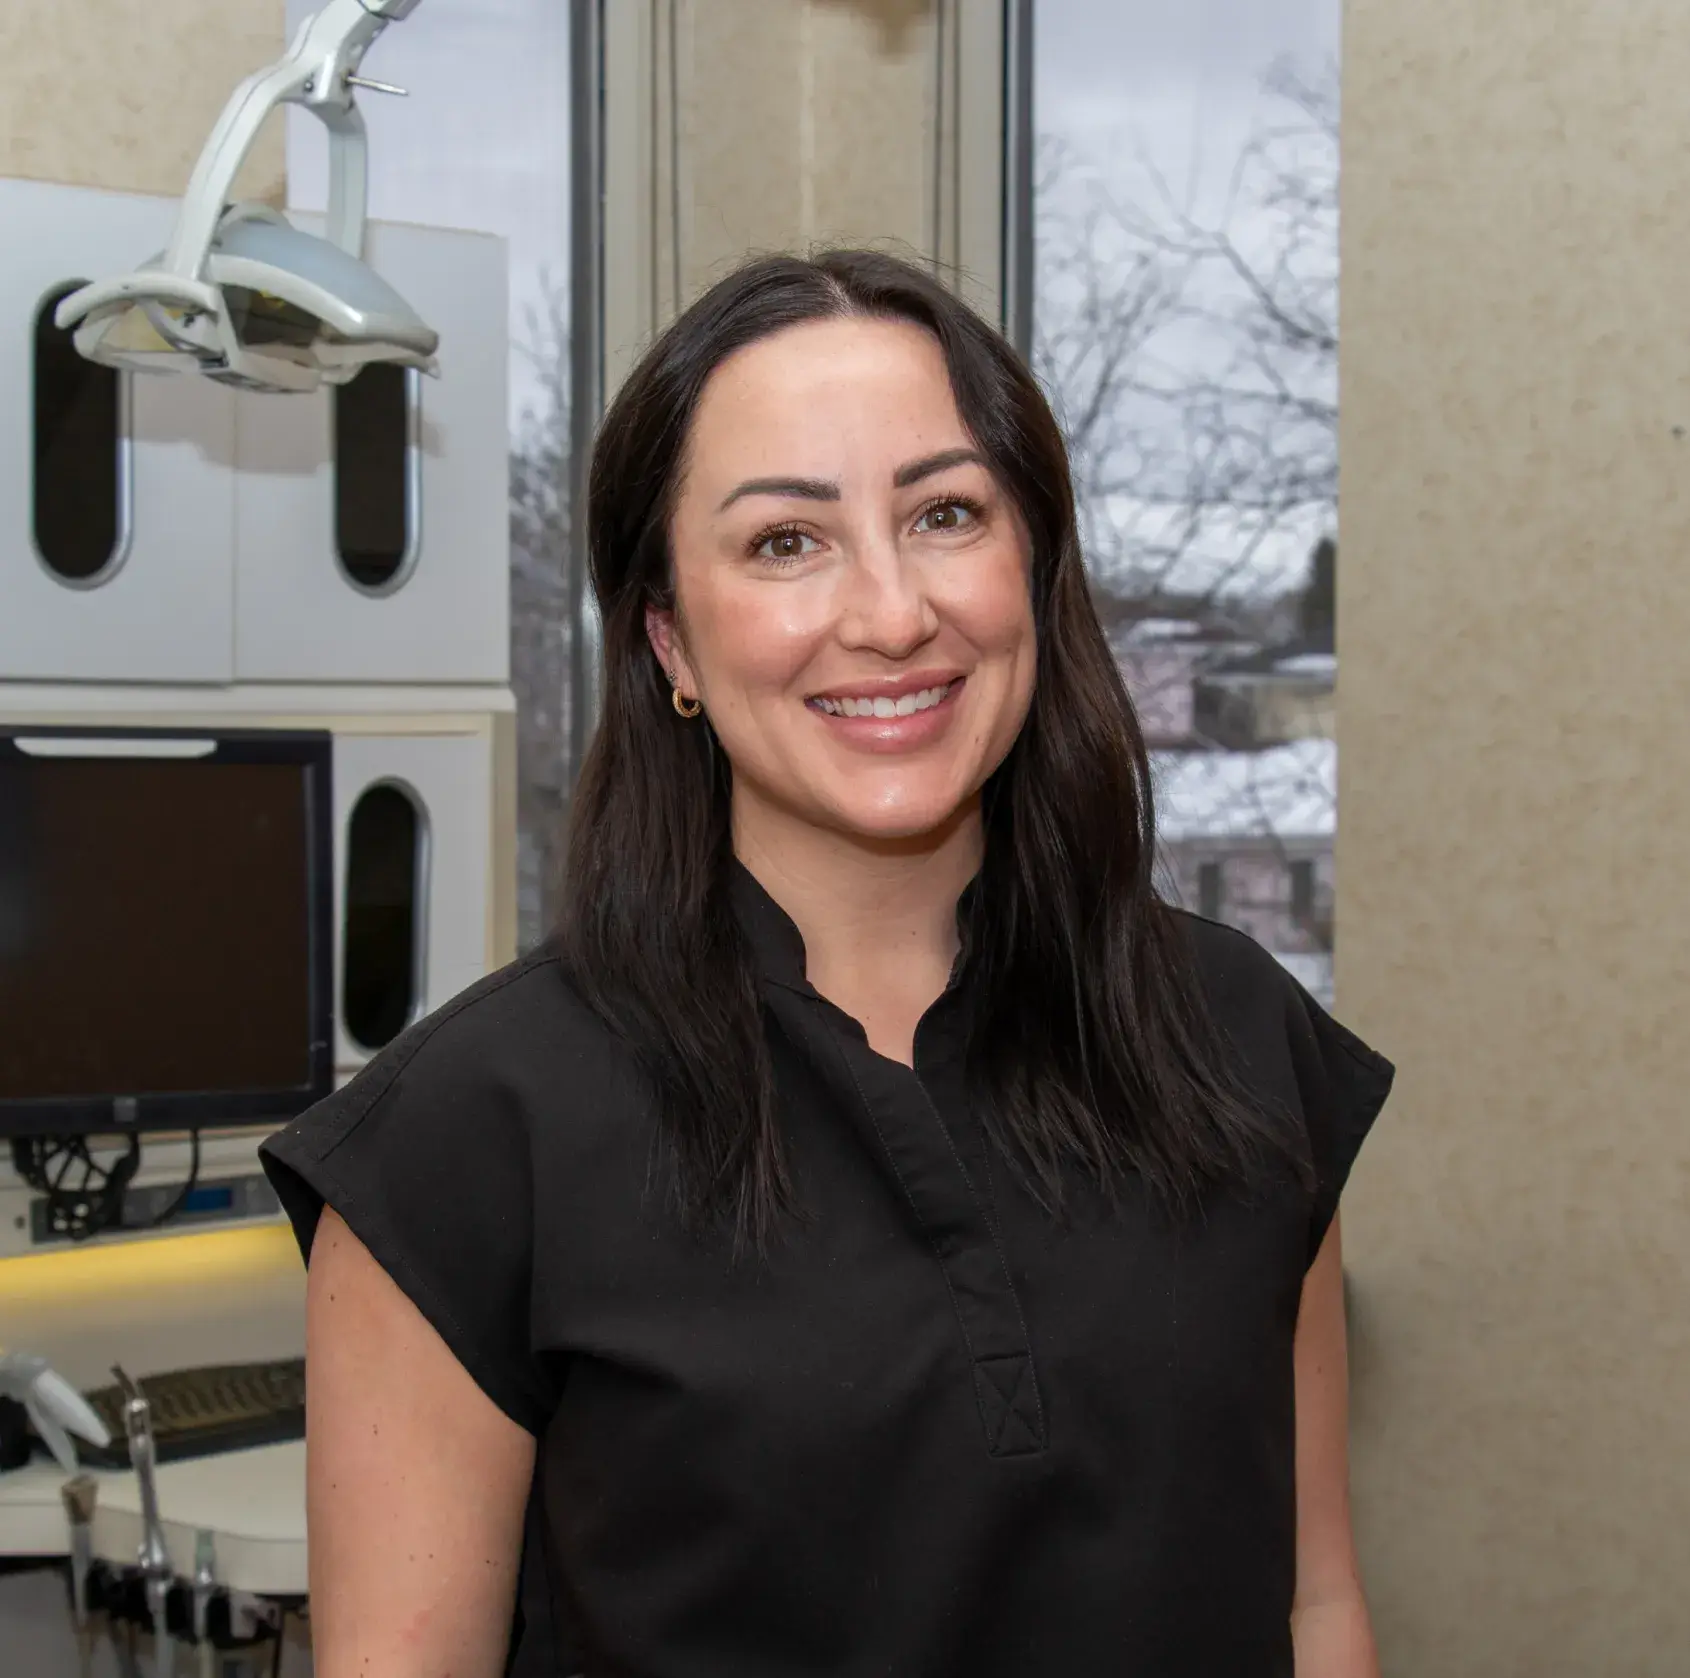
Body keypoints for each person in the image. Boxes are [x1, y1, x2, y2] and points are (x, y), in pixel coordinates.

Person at [261, 247, 1393, 1678]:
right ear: (669, 635)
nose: (890, 611)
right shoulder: (467, 1139)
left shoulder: (1237, 1040)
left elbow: (1313, 1606)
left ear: (1031, 570)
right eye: (785, 541)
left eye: (943, 513)